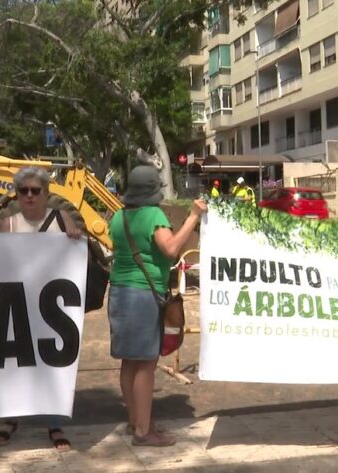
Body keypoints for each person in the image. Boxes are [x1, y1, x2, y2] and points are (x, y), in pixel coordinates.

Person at [108, 165, 206, 447]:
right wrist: (193, 217)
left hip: (119, 292)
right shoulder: (154, 215)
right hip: (143, 295)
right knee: (146, 364)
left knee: (130, 362)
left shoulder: (118, 216)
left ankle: (136, 420)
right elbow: (171, 249)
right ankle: (143, 431)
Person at [0, 166, 81, 451]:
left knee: (52, 364)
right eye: (23, 191)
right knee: (14, 364)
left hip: (51, 307)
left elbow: (77, 253)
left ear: (46, 193)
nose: (29, 196)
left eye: (35, 190)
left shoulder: (62, 218)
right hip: (18, 303)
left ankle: (54, 423)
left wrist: (74, 237)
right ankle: (11, 417)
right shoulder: (9, 224)